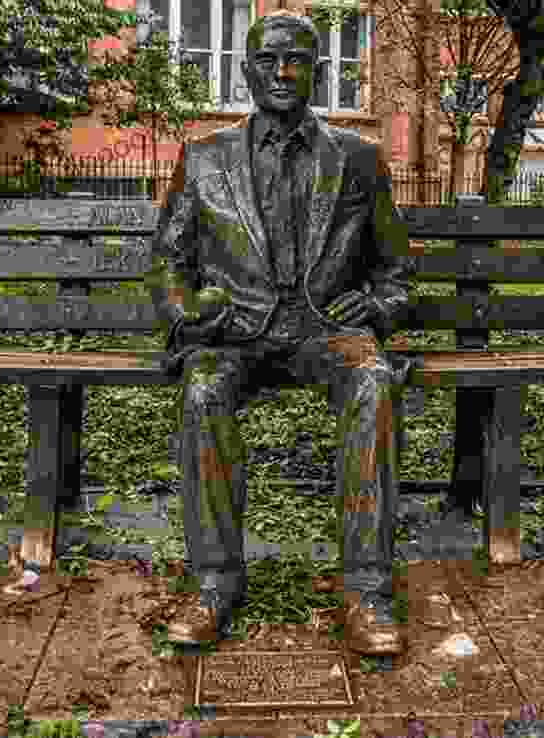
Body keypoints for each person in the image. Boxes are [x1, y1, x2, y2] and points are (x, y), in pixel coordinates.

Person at [148, 8, 416, 656]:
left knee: (374, 384)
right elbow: (167, 264)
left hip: (327, 330)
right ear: (246, 70)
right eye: (268, 60)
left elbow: (396, 271)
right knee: (203, 392)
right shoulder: (205, 158)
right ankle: (214, 584)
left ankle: (367, 593)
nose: (283, 71)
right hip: (236, 330)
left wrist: (376, 308)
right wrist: (192, 310)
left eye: (298, 59)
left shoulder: (359, 160)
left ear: (319, 72)